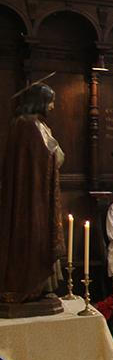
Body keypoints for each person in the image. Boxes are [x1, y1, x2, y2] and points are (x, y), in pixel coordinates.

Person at [0, 83, 64, 305]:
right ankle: (27, 286)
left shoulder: (36, 125)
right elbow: (41, 158)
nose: (53, 106)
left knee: (40, 238)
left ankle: (40, 286)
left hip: (39, 195)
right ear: (40, 101)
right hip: (29, 198)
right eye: (51, 101)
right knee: (32, 238)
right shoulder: (26, 126)